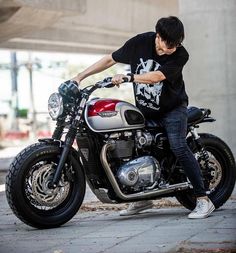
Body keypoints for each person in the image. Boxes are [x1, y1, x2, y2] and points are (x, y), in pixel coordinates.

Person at [72, 16, 215, 219]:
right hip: (146, 110)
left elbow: (156, 77)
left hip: (173, 109)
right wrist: (79, 77)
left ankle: (203, 200)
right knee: (132, 146)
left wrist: (129, 77)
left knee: (178, 146)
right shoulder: (140, 43)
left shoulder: (181, 54)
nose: (172, 48)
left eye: (176, 44)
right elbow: (109, 59)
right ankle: (141, 198)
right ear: (158, 36)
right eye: (169, 43)